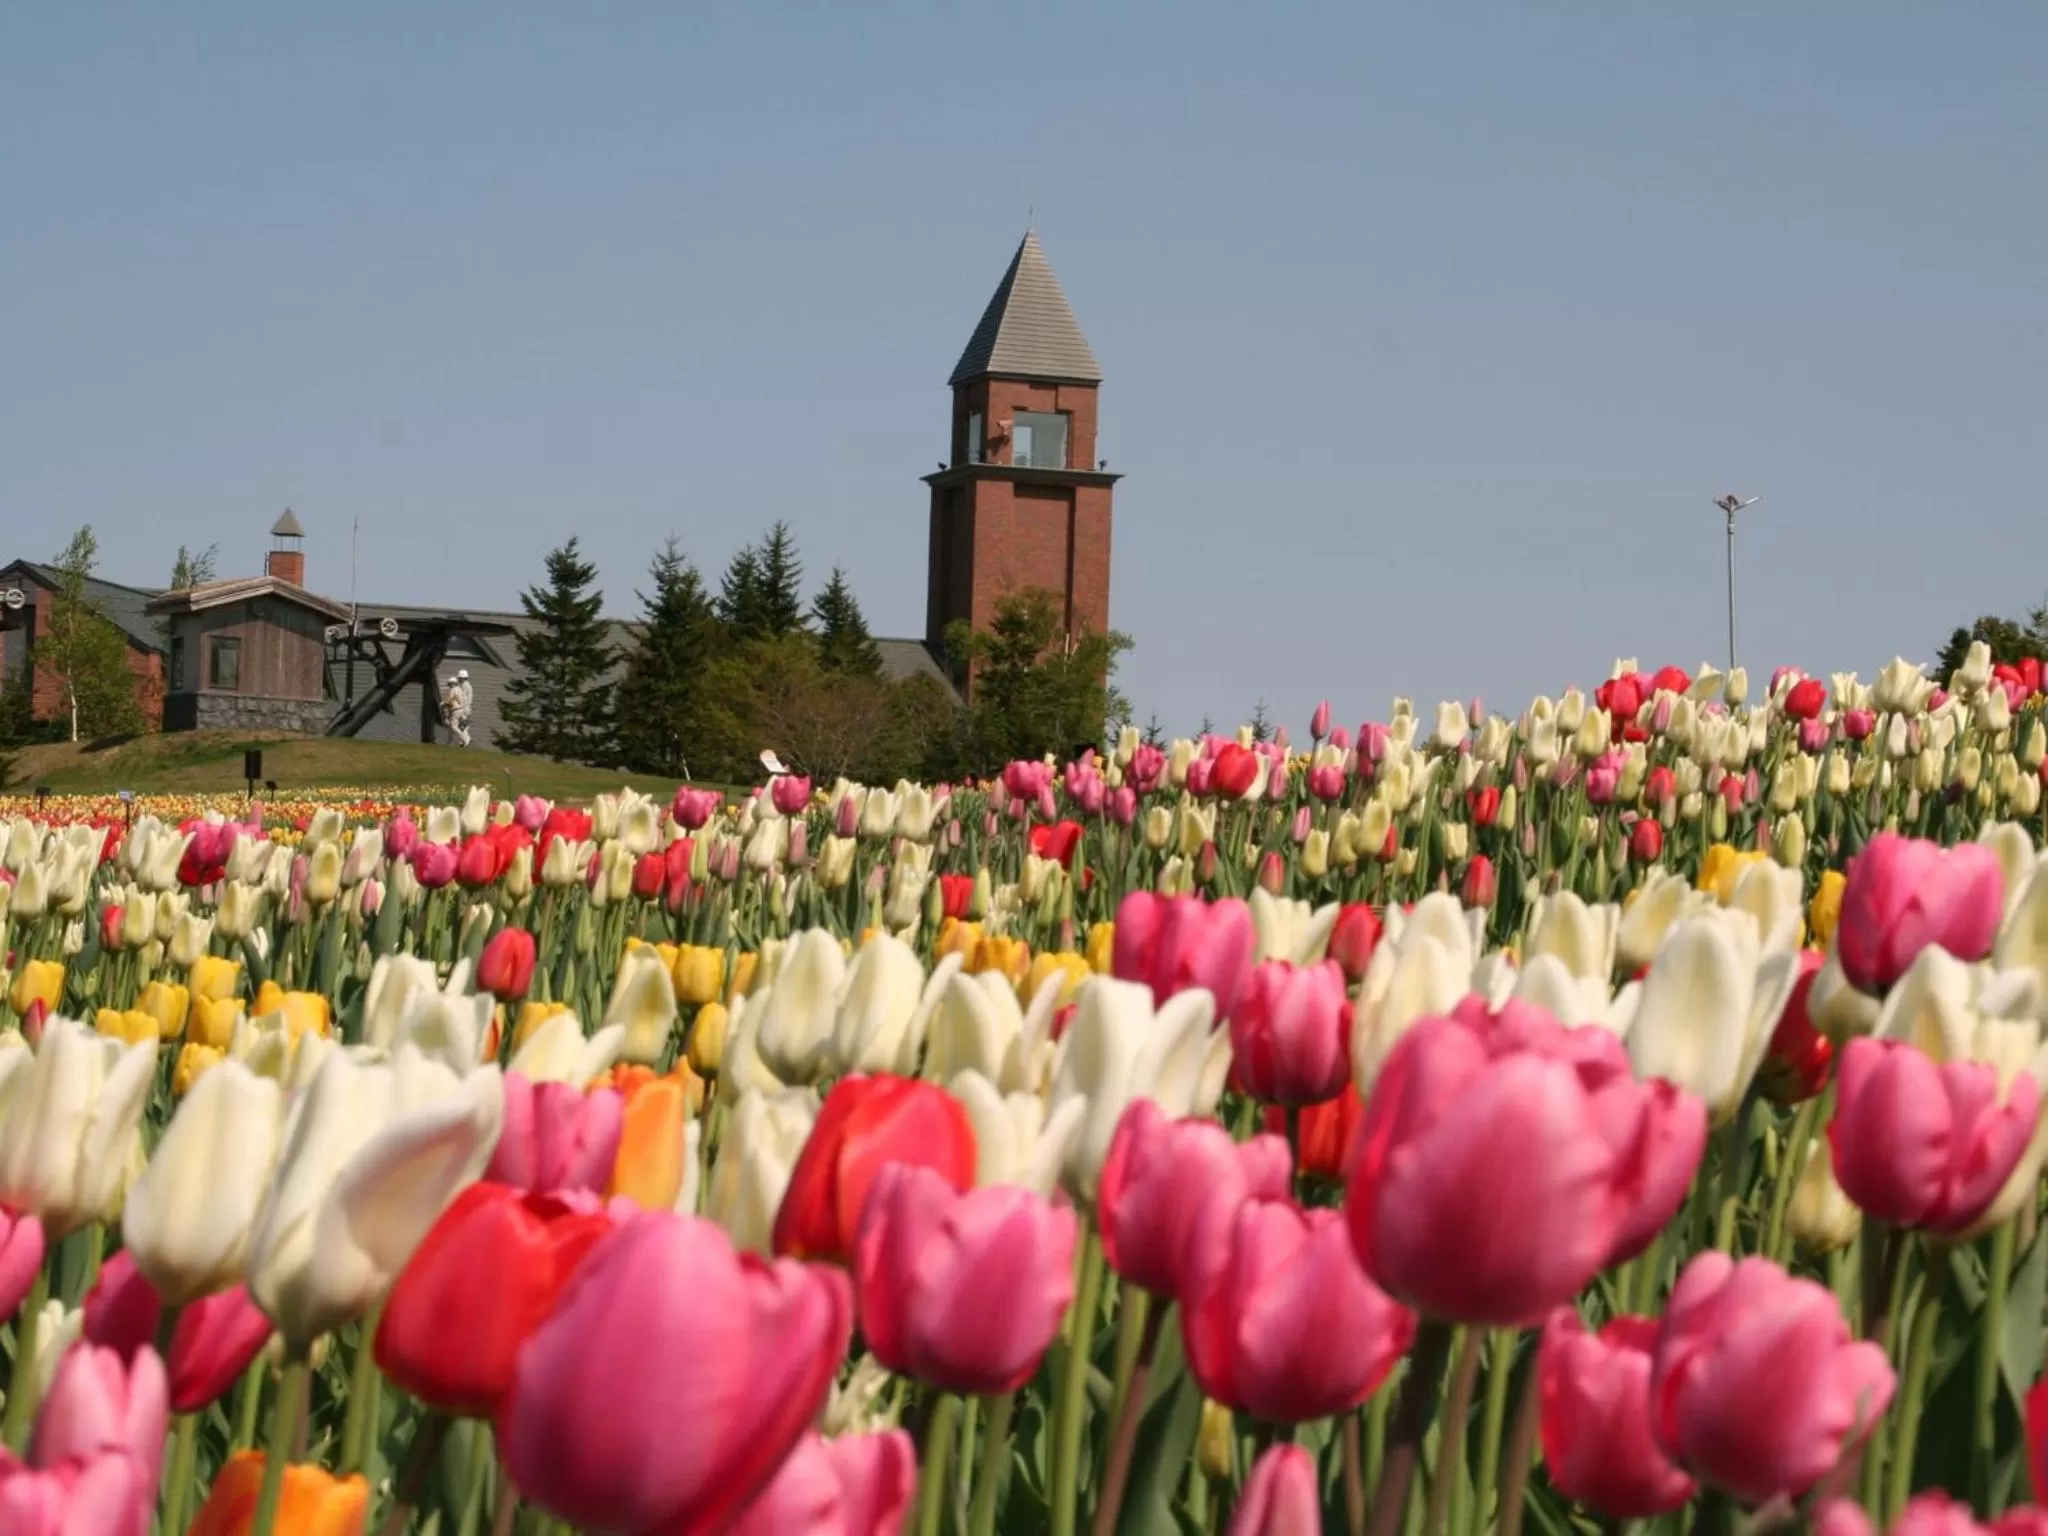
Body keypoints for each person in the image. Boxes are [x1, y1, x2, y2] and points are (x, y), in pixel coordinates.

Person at [442, 668, 475, 747]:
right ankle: (461, 741)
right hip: (464, 708)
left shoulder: (465, 686)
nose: (459, 679)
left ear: (462, 678)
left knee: (460, 725)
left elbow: (463, 699)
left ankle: (465, 739)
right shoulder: (464, 685)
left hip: (464, 708)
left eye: (459, 678)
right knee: (459, 725)